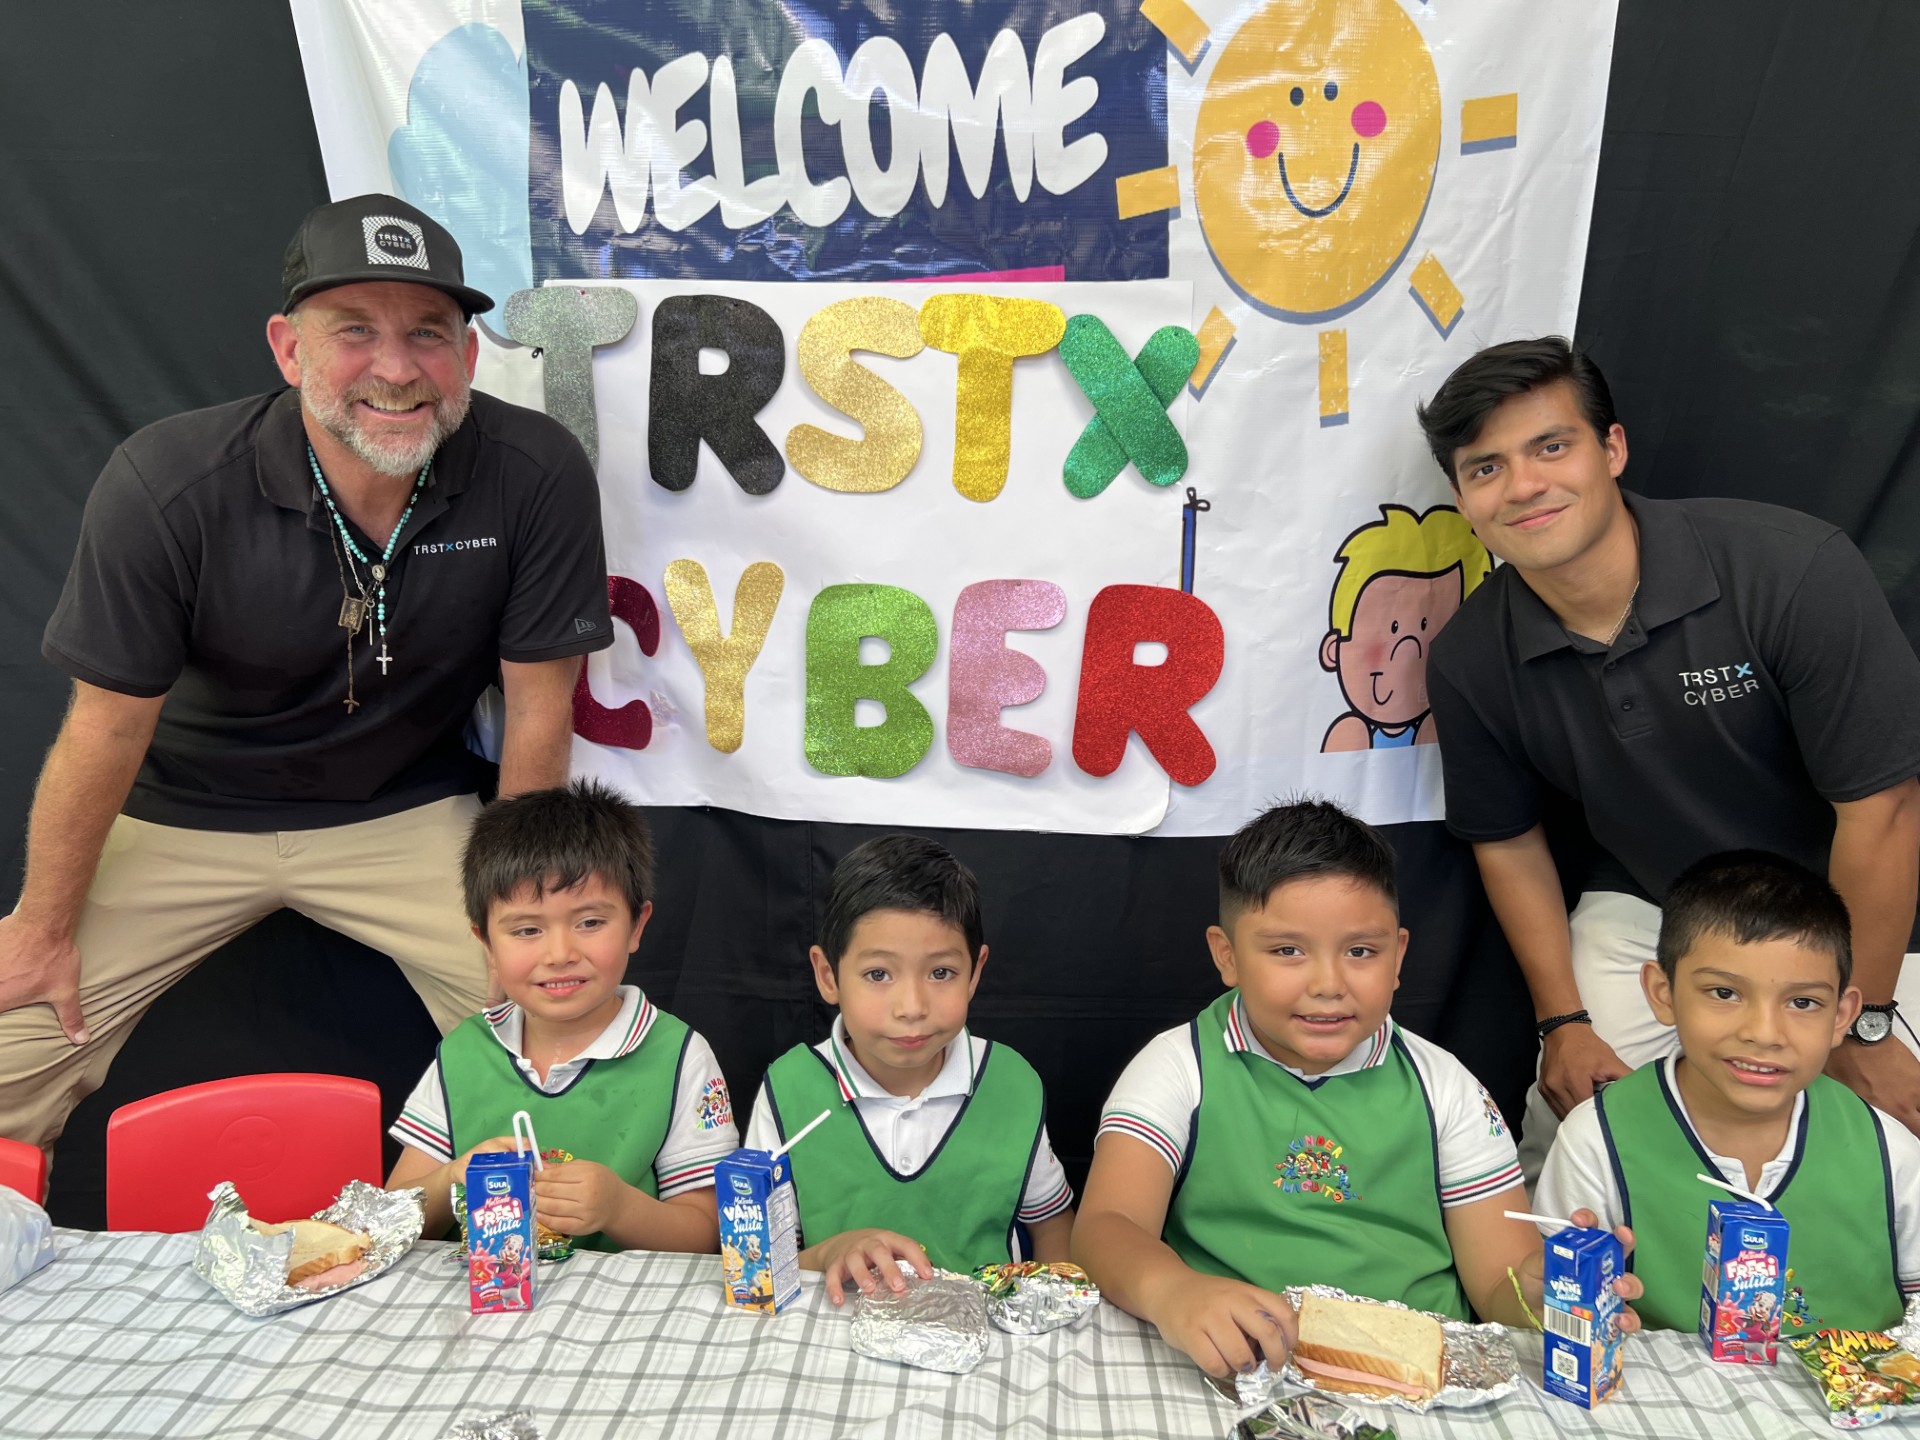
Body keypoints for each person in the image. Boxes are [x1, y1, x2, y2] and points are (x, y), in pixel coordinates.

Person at [0, 194, 613, 1159]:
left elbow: (540, 707)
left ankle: (508, 1253)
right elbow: (103, 728)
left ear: (468, 353)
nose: (398, 368)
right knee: (12, 1038)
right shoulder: (170, 481)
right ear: (289, 350)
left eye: (429, 333)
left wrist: (523, 909)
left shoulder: (531, 470)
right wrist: (41, 926)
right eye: (354, 332)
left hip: (403, 812)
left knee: (560, 1039)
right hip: (186, 815)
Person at [1419, 337, 1920, 1173]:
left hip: (1867, 911)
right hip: (1659, 904)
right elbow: (1505, 840)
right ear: (1464, 499)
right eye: (1486, 468)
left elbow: (1885, 808)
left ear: (1611, 449)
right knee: (1582, 1138)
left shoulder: (1791, 571)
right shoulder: (1471, 657)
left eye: (1552, 446)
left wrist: (1858, 1022)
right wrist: (1563, 1025)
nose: (1525, 486)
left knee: (1877, 1148)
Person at [1071, 800, 1640, 1377]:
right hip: (1242, 1364)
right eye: (1287, 951)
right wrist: (1175, 1293)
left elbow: (1498, 1281)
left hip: (1420, 1376)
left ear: (1399, 957)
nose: (1328, 984)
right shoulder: (1179, 1066)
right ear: (1228, 955)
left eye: (1361, 952)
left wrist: (1540, 1293)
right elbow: (1105, 1228)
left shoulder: (1445, 1086)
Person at [1537, 851, 1918, 1329]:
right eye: (1724, 993)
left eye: (1803, 1002)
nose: (1764, 1032)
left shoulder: (1890, 1153)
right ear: (1663, 993)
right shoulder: (1597, 1138)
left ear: (1842, 1016)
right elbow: (1559, 1313)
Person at [387, 780, 736, 1252]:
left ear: (637, 925)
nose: (559, 953)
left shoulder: (679, 1056)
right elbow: (392, 1218)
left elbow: (709, 1235)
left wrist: (619, 1208)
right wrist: (454, 1178)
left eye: (590, 922)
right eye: (527, 929)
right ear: (487, 944)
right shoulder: (464, 1051)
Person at [743, 835, 1076, 1303]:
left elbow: (1052, 1222)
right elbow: (755, 1264)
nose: (912, 1007)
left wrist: (1049, 1304)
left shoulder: (1012, 1083)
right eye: (878, 974)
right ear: (827, 975)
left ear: (975, 972)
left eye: (941, 973)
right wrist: (831, 1251)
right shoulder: (787, 1089)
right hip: (832, 1343)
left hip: (984, 1345)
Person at [1318, 503, 1491, 751]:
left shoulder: (1440, 721)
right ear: (1333, 649)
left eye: (1426, 626)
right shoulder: (1351, 732)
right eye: (1392, 628)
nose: (1410, 650)